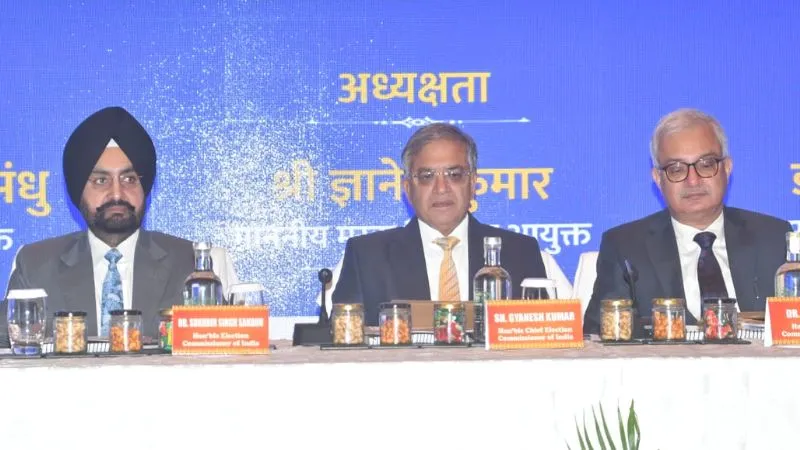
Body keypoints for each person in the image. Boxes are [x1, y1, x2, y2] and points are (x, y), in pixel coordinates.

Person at [2, 106, 205, 346]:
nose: (117, 193)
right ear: (78, 190)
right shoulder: (36, 265)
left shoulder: (191, 265)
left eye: (129, 179)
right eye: (101, 180)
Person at [584, 108, 791, 334]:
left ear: (727, 168)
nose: (693, 180)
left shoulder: (773, 237)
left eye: (706, 164)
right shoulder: (625, 246)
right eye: (676, 169)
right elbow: (599, 334)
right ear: (658, 178)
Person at [331, 123, 549, 326]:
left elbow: (542, 336)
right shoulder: (368, 257)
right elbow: (345, 338)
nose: (441, 188)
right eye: (427, 176)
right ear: (408, 188)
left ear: (473, 183)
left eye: (454, 175)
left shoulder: (520, 252)